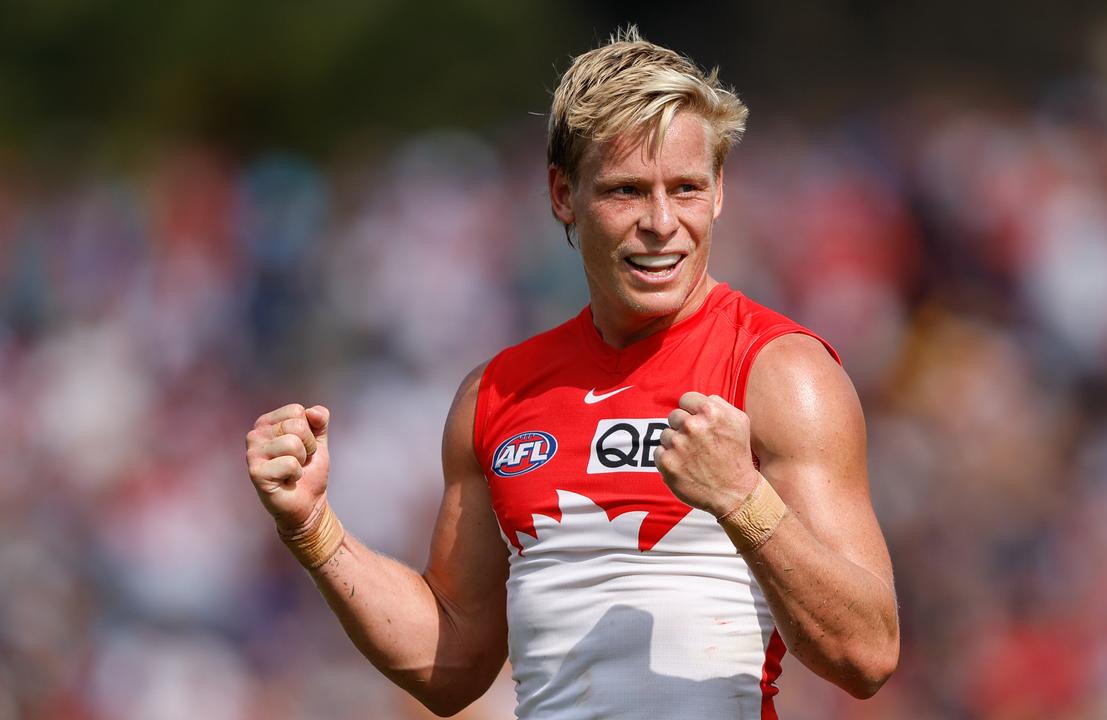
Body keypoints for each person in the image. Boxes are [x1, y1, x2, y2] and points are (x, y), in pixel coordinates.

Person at [244, 27, 898, 719]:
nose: (661, 223)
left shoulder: (778, 372)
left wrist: (743, 500)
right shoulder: (495, 395)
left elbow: (868, 653)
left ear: (718, 193)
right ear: (563, 195)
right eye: (626, 191)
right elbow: (454, 663)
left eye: (685, 189)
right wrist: (313, 528)